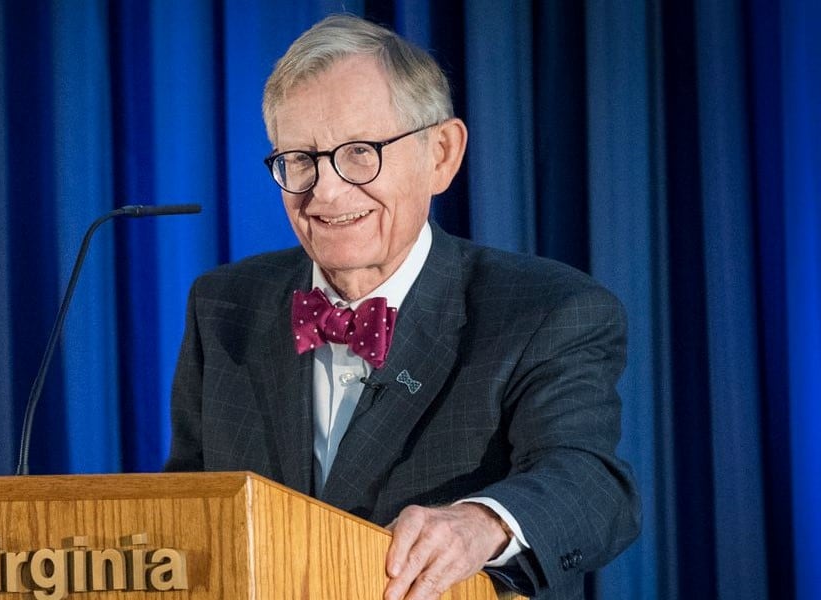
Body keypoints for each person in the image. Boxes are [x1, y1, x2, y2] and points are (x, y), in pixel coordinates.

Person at [163, 14, 640, 600]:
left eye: (361, 152)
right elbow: (185, 506)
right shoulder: (224, 306)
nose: (326, 192)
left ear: (441, 154)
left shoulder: (548, 311)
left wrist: (481, 523)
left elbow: (592, 485)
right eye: (300, 160)